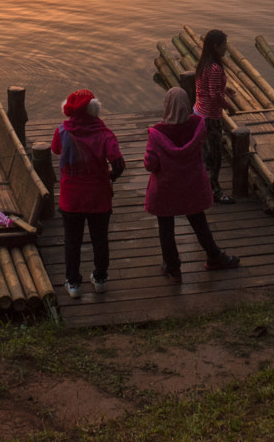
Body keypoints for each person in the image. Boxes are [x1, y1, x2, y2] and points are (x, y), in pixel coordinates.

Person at [144, 87, 240, 280]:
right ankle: (214, 256)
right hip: (192, 185)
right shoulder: (198, 126)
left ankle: (172, 267)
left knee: (166, 226)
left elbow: (150, 164)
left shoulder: (157, 134)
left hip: (166, 188)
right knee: (198, 221)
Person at [51, 89, 124, 297]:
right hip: (98, 197)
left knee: (72, 241)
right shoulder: (104, 134)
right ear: (94, 110)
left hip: (71, 197)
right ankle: (100, 279)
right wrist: (109, 177)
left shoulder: (62, 131)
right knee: (100, 239)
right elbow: (118, 164)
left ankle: (73, 283)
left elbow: (56, 150)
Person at [187, 28, 237, 203]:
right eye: (224, 45)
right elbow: (214, 95)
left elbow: (209, 87)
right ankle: (215, 191)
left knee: (205, 152)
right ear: (216, 46)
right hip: (210, 116)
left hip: (199, 111)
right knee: (215, 156)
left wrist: (224, 89)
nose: (226, 48)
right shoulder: (215, 67)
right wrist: (229, 107)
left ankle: (200, 184)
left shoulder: (204, 63)